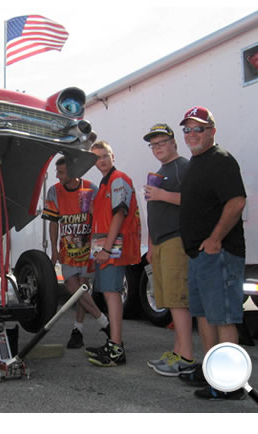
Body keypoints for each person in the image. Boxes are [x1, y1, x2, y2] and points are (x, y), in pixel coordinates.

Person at [178, 107, 247, 400]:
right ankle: (212, 372)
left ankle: (230, 385)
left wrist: (215, 238)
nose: (192, 134)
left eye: (199, 129)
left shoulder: (221, 160)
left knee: (222, 319)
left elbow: (237, 202)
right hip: (198, 256)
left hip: (218, 254)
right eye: (188, 129)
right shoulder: (196, 163)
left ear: (212, 132)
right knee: (204, 316)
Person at [142, 123, 196, 377]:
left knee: (178, 300)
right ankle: (177, 352)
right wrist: (151, 244)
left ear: (174, 143)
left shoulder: (183, 167)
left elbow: (196, 201)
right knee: (169, 301)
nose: (157, 148)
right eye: (153, 145)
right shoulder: (162, 171)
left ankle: (186, 357)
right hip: (161, 242)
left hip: (177, 239)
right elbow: (154, 210)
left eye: (161, 143)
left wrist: (163, 195)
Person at [43, 157, 110, 349]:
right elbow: (53, 222)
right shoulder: (54, 191)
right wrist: (54, 249)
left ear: (73, 172)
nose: (57, 175)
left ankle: (78, 330)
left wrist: (99, 246)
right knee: (73, 289)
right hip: (67, 250)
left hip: (87, 250)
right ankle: (105, 323)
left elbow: (100, 218)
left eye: (61, 172)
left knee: (83, 290)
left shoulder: (91, 189)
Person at [86, 141, 141, 367]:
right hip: (106, 247)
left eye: (104, 155)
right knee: (109, 293)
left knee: (112, 293)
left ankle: (116, 347)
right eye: (97, 157)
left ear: (113, 156)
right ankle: (113, 343)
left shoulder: (118, 179)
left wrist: (107, 249)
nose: (101, 160)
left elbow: (119, 215)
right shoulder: (105, 183)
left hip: (113, 248)